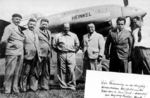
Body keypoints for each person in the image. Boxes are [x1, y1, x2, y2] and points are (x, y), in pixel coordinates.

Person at [1, 14, 25, 93]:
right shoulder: (9, 28)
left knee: (17, 72)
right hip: (12, 52)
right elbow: (3, 40)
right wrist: (11, 46)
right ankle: (7, 89)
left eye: (19, 19)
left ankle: (15, 88)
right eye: (16, 19)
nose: (18, 21)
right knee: (9, 72)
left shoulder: (18, 28)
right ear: (12, 19)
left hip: (20, 53)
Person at [53, 23, 80, 90]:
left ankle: (71, 85)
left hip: (71, 54)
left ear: (69, 28)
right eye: (65, 28)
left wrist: (73, 52)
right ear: (63, 28)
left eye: (67, 28)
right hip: (61, 54)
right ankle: (63, 86)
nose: (66, 29)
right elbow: (54, 45)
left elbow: (77, 45)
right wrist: (59, 51)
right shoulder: (58, 35)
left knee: (71, 70)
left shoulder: (74, 35)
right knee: (62, 70)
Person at [19, 18, 40, 92]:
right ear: (28, 24)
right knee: (25, 73)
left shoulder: (36, 34)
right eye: (31, 24)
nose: (32, 26)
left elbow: (37, 45)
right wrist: (23, 54)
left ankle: (33, 87)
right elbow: (21, 45)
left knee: (33, 73)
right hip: (27, 56)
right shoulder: (23, 33)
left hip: (36, 56)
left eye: (34, 25)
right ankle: (23, 88)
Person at [36, 18, 51, 90]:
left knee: (46, 71)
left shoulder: (49, 32)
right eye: (43, 24)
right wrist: (38, 53)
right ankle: (34, 86)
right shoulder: (36, 31)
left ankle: (44, 86)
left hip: (47, 54)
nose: (45, 25)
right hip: (40, 54)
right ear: (40, 24)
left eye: (46, 24)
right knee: (36, 71)